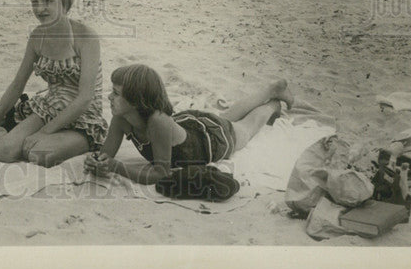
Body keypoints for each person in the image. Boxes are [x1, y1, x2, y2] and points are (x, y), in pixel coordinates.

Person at [0, 0, 107, 167]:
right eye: (35, 2)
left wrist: (44, 132)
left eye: (48, 1)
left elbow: (85, 98)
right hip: (50, 107)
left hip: (83, 117)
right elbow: (17, 84)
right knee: (3, 152)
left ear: (64, 1)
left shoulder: (85, 37)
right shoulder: (37, 37)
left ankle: (34, 138)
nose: (40, 9)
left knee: (39, 154)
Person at [85, 64, 294, 184]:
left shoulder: (157, 122)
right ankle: (270, 90)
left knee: (243, 130)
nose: (109, 97)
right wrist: (97, 162)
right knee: (226, 118)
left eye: (116, 93)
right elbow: (106, 155)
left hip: (208, 142)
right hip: (190, 125)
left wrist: (116, 167)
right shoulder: (121, 119)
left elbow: (160, 174)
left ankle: (272, 104)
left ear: (136, 100)